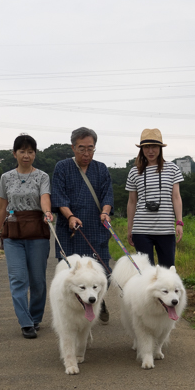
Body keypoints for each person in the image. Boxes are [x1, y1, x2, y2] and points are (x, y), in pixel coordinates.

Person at [0, 134, 54, 339]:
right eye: (22, 151)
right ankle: (25, 322)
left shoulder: (42, 176)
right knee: (18, 279)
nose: (26, 155)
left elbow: (45, 198)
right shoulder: (6, 177)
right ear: (14, 153)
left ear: (35, 154)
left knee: (37, 280)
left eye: (30, 151)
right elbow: (1, 208)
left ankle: (35, 317)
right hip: (13, 233)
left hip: (37, 232)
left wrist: (48, 212)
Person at [51, 127, 114, 323]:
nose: (86, 153)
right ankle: (75, 310)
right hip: (70, 230)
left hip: (96, 228)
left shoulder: (101, 168)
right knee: (71, 274)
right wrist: (70, 216)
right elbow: (58, 196)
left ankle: (97, 301)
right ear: (73, 147)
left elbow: (108, 195)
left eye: (90, 148)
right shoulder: (62, 167)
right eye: (81, 149)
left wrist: (105, 212)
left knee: (105, 272)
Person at [125, 128, 184, 269]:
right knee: (145, 273)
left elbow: (176, 197)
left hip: (166, 229)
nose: (150, 151)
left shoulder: (172, 169)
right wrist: (130, 228)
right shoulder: (134, 171)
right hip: (141, 230)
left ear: (160, 148)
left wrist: (179, 222)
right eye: (146, 147)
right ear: (141, 149)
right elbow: (132, 202)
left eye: (154, 147)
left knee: (168, 270)